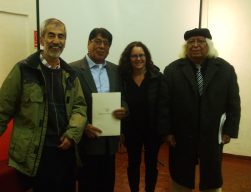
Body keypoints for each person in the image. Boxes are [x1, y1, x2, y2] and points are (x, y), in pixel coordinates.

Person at [0, 18, 87, 192]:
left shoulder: (70, 74)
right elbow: (3, 109)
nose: (56, 41)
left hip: (65, 150)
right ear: (41, 39)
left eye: (61, 36)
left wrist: (72, 134)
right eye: (51, 35)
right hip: (37, 154)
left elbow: (80, 107)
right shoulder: (24, 70)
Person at [158, 28, 241, 192]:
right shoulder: (172, 70)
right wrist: (167, 132)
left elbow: (233, 102)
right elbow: (163, 105)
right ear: (185, 47)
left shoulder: (225, 69)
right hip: (181, 134)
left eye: (200, 41)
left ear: (208, 44)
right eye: (191, 42)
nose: (195, 45)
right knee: (181, 177)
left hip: (212, 134)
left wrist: (229, 130)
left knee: (212, 176)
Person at [70, 28, 128, 192]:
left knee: (107, 184)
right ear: (88, 43)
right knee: (87, 185)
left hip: (110, 143)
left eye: (106, 43)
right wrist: (83, 125)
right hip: (86, 141)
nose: (102, 46)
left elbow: (123, 97)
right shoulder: (73, 69)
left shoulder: (116, 70)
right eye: (97, 41)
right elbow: (68, 104)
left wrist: (124, 108)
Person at [118, 41, 162, 192]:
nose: (138, 59)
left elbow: (163, 105)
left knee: (151, 165)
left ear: (146, 57)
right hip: (131, 130)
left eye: (141, 55)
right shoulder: (122, 78)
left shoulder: (157, 77)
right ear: (128, 58)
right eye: (134, 56)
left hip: (153, 131)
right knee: (133, 164)